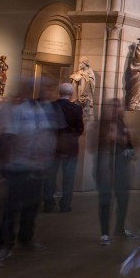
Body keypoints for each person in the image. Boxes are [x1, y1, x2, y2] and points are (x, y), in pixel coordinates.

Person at [0, 80, 57, 267]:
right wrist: (4, 165)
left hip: (36, 167)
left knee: (31, 207)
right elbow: (9, 137)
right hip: (18, 167)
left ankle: (26, 238)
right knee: (11, 209)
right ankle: (4, 245)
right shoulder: (19, 110)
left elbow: (46, 135)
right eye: (43, 88)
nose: (47, 91)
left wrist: (44, 159)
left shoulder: (41, 110)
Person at [95, 99, 136, 246]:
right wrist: (116, 138)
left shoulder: (122, 123)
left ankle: (120, 228)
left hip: (121, 167)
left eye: (118, 106)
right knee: (106, 201)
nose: (115, 109)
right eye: (112, 106)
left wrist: (127, 146)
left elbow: (129, 144)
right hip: (105, 168)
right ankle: (105, 233)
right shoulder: (102, 125)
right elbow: (98, 144)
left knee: (123, 199)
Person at [42, 83, 85, 213]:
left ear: (58, 92)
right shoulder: (77, 109)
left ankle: (48, 204)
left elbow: (46, 127)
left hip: (52, 146)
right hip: (70, 147)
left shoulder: (50, 107)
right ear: (71, 94)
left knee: (50, 177)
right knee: (69, 178)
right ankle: (65, 205)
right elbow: (80, 129)